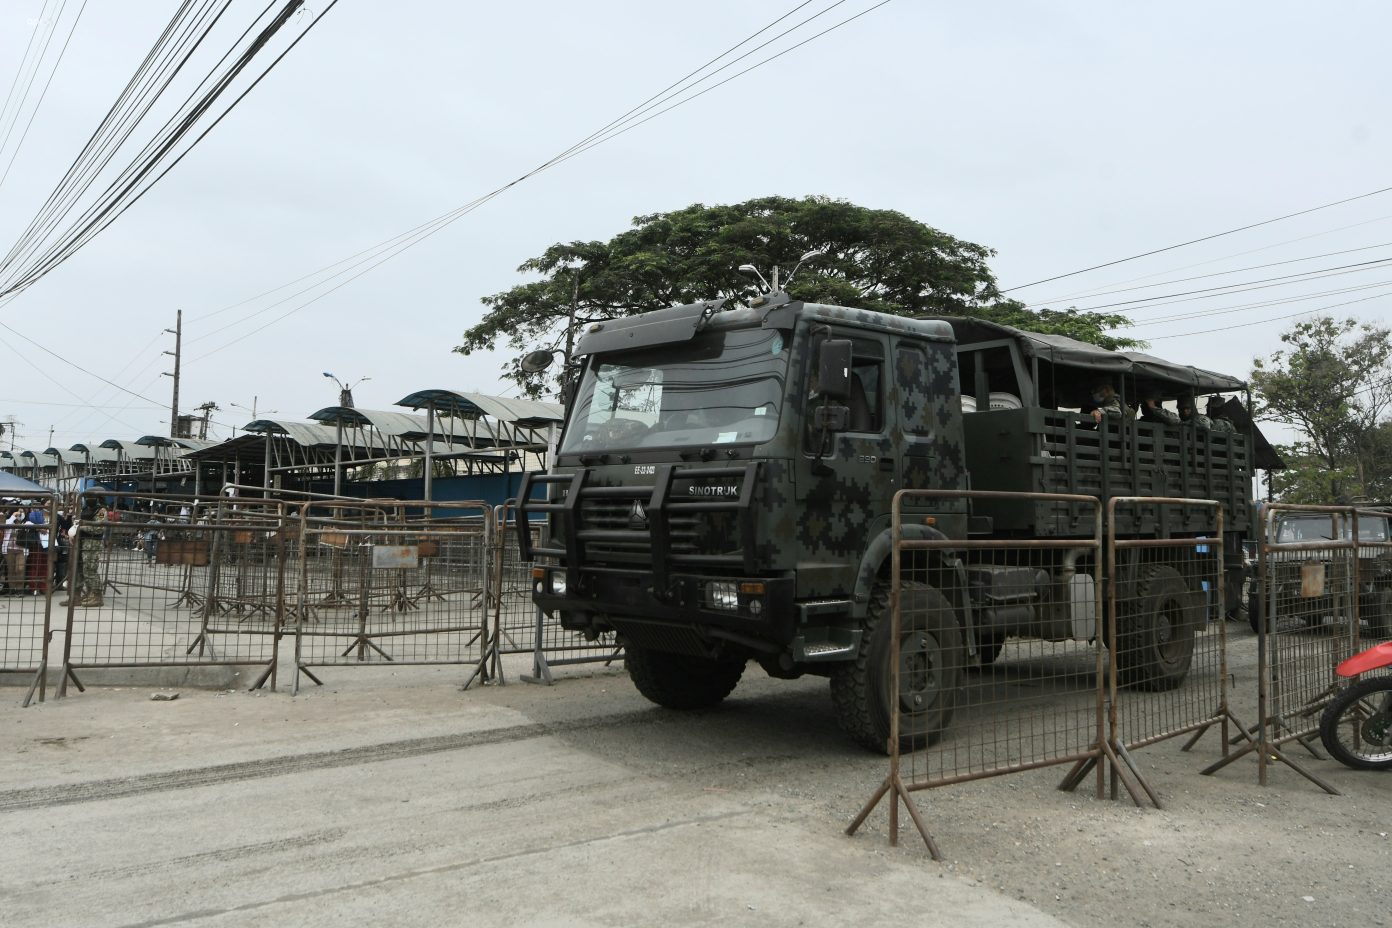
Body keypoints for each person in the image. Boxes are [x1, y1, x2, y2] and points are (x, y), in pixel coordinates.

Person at [62, 500, 107, 608]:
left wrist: (80, 528)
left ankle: (97, 596)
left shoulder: (101, 511)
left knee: (89, 570)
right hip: (81, 543)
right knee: (78, 570)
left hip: (92, 545)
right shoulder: (86, 509)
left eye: (91, 497)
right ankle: (76, 596)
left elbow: (99, 528)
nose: (88, 499)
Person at [2, 507, 26, 595]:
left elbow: (26, 523)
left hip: (21, 549)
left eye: (21, 511)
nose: (19, 513)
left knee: (20, 569)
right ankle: (12, 589)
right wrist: (13, 516)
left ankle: (19, 589)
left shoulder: (26, 521)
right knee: (11, 569)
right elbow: (6, 525)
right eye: (18, 511)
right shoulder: (9, 521)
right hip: (9, 548)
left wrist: (21, 515)